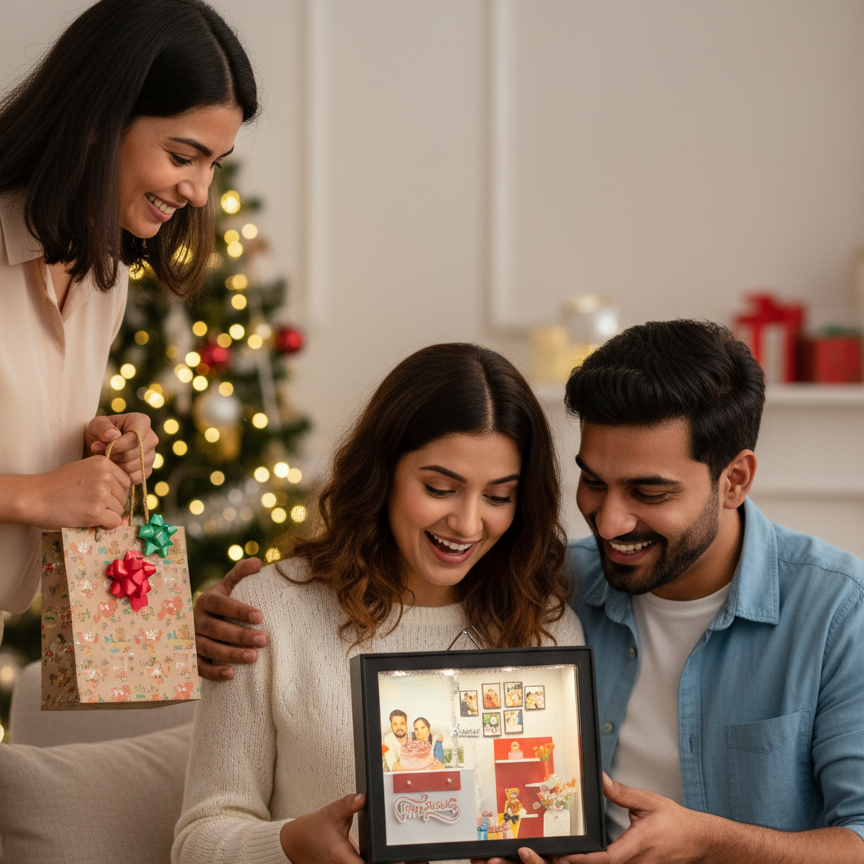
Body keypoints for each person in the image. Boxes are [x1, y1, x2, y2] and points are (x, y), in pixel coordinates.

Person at [173, 342, 585, 864]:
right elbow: (197, 843)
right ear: (383, 471)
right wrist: (293, 845)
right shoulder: (269, 612)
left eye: (499, 496)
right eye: (440, 488)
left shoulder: (545, 627)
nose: (468, 523)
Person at [514, 320, 864, 864]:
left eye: (649, 491)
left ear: (735, 480)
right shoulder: (557, 586)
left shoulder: (840, 610)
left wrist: (709, 841)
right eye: (594, 482)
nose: (607, 524)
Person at [0, 0, 257, 653]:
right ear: (97, 120)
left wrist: (98, 449)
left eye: (213, 164)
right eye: (182, 155)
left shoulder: (100, 277)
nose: (199, 191)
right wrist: (33, 496)